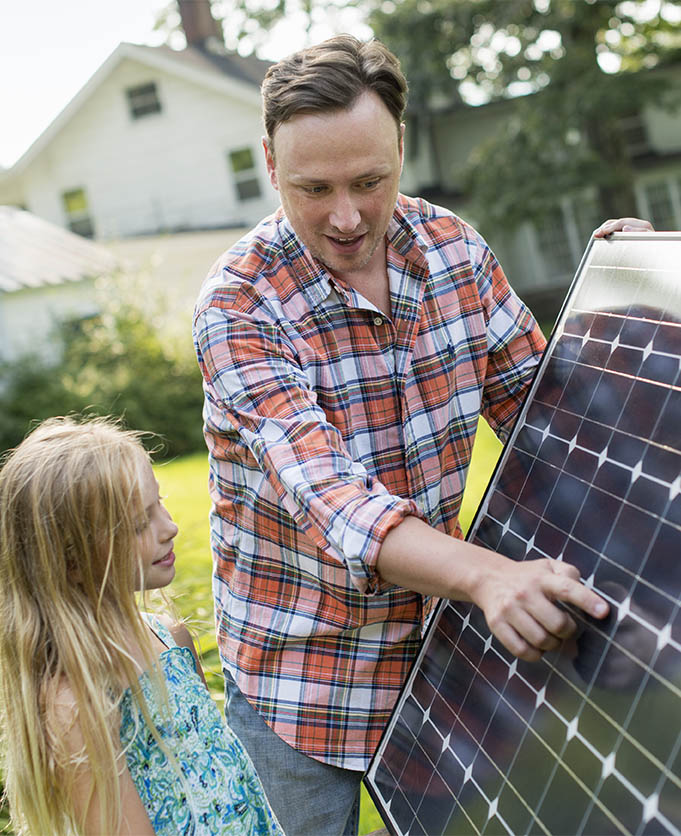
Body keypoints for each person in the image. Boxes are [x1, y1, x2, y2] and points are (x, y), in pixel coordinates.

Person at [192, 34, 653, 836]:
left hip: (441, 652)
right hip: (301, 677)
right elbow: (331, 498)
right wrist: (485, 576)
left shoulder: (454, 250)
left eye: (370, 181)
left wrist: (618, 302)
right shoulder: (237, 307)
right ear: (270, 163)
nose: (346, 216)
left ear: (402, 144)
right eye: (314, 188)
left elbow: (550, 418)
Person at [0, 416, 283, 836]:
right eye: (138, 523)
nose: (169, 527)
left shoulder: (170, 637)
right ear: (71, 561)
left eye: (160, 503)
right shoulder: (77, 705)